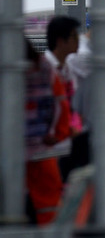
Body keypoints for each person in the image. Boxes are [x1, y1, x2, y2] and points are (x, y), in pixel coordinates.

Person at [25, 39, 72, 225]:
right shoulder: (46, 70)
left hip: (8, 157)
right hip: (41, 152)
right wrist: (57, 135)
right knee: (47, 208)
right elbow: (61, 106)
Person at [44, 16, 86, 181]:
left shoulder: (67, 69)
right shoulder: (46, 69)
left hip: (66, 138)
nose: (77, 42)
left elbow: (72, 104)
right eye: (74, 37)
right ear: (61, 41)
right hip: (51, 143)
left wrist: (74, 126)